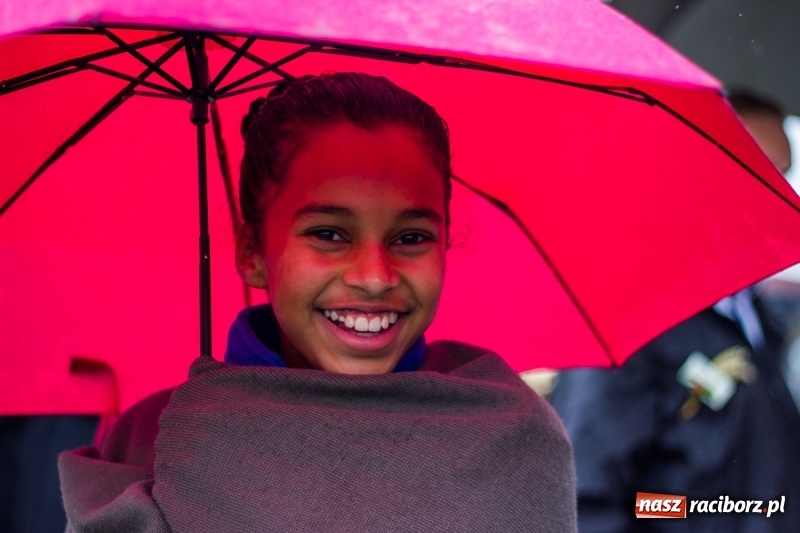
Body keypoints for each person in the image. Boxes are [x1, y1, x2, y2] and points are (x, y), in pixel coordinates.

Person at [58, 73, 576, 532]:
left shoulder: (510, 436)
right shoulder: (151, 442)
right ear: (253, 252)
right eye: (330, 233)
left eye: (411, 237)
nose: (375, 277)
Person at [548, 92, 800, 533]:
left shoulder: (755, 313)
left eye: (785, 175)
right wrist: (708, 511)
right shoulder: (637, 313)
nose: (781, 197)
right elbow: (589, 496)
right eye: (761, 174)